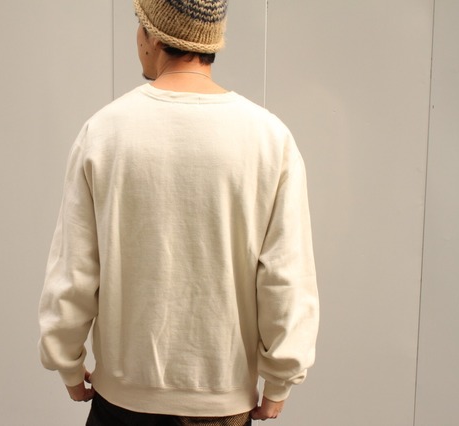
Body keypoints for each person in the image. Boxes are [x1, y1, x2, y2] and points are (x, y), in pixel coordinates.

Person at [38, 0, 319, 424]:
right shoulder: (269, 139)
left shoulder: (104, 132)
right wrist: (280, 380)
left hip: (122, 403)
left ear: (152, 36)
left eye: (139, 24)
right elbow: (286, 277)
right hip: (221, 404)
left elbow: (74, 271)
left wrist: (68, 364)